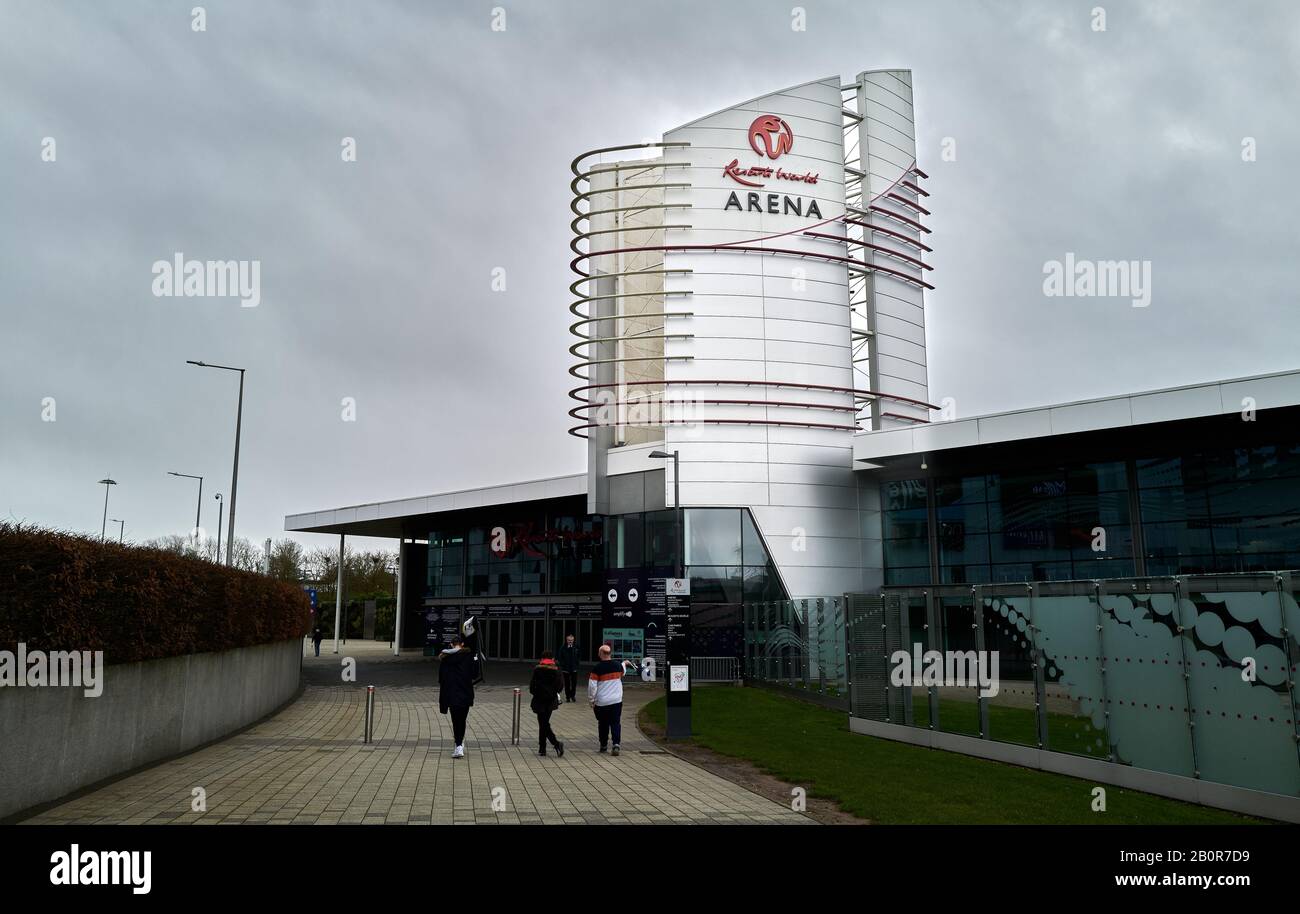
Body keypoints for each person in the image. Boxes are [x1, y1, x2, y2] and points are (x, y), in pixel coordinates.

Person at [437, 633, 478, 758]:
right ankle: (459, 744)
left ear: (451, 645)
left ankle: (458, 744)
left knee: (455, 720)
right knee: (462, 719)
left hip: (451, 694)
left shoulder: (445, 659)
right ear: (462, 644)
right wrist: (476, 660)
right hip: (465, 693)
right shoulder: (469, 656)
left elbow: (441, 678)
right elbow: (474, 675)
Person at [588, 644, 625, 756]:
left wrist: (591, 700)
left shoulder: (597, 668)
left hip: (602, 702)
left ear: (601, 654)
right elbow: (623, 671)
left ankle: (603, 745)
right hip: (616, 700)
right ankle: (616, 744)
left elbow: (592, 686)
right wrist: (625, 663)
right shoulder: (618, 666)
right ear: (609, 654)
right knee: (615, 723)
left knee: (603, 724)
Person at [529, 650, 565, 757]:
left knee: (543, 723)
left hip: (539, 700)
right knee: (544, 723)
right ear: (552, 658)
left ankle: (554, 744)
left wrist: (537, 693)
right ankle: (544, 747)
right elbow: (560, 686)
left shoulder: (537, 669)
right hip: (550, 701)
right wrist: (553, 693)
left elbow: (532, 686)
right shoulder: (556, 670)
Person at [557, 633, 580, 702]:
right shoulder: (563, 647)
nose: (570, 641)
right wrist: (563, 665)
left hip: (574, 668)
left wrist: (576, 664)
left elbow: (579, 656)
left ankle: (572, 696)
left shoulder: (576, 647)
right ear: (566, 640)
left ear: (573, 640)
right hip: (565, 669)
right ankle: (567, 697)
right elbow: (560, 657)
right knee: (567, 684)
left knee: (574, 683)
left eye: (571, 640)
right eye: (569, 640)